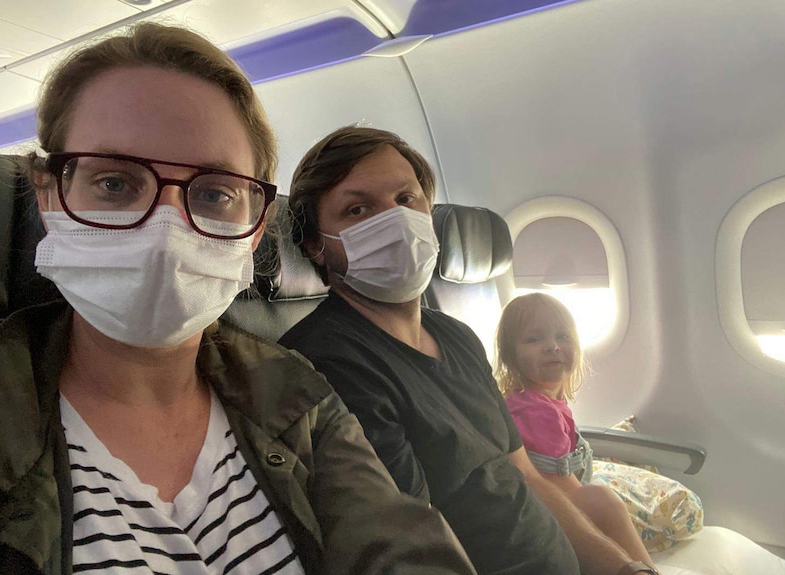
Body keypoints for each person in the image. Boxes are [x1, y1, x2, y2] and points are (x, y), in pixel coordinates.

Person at [0, 24, 476, 575]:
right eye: (114, 183)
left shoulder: (299, 396)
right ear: (49, 196)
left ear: (257, 230)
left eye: (213, 194)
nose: (166, 229)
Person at [280, 125, 659, 575]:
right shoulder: (327, 365)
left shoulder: (457, 336)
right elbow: (414, 549)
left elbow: (528, 477)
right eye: (358, 209)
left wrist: (626, 569)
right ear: (316, 245)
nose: (395, 222)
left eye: (406, 200)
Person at [495, 293, 657, 567]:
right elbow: (554, 483)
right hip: (542, 510)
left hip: (548, 502)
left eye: (563, 336)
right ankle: (646, 569)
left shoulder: (542, 401)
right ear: (510, 357)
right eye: (534, 339)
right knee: (601, 499)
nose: (552, 347)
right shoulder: (535, 412)